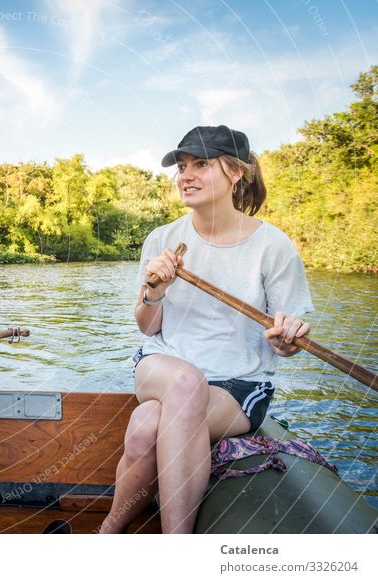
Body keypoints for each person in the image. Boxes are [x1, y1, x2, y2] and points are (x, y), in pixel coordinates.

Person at [99, 126, 314, 534]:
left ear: (237, 173)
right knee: (184, 384)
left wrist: (286, 340)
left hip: (237, 386)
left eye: (201, 164)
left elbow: (289, 343)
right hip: (162, 365)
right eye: (182, 167)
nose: (186, 175)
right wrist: (154, 292)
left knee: (148, 425)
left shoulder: (273, 246)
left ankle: (109, 531)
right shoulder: (163, 239)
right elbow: (148, 328)